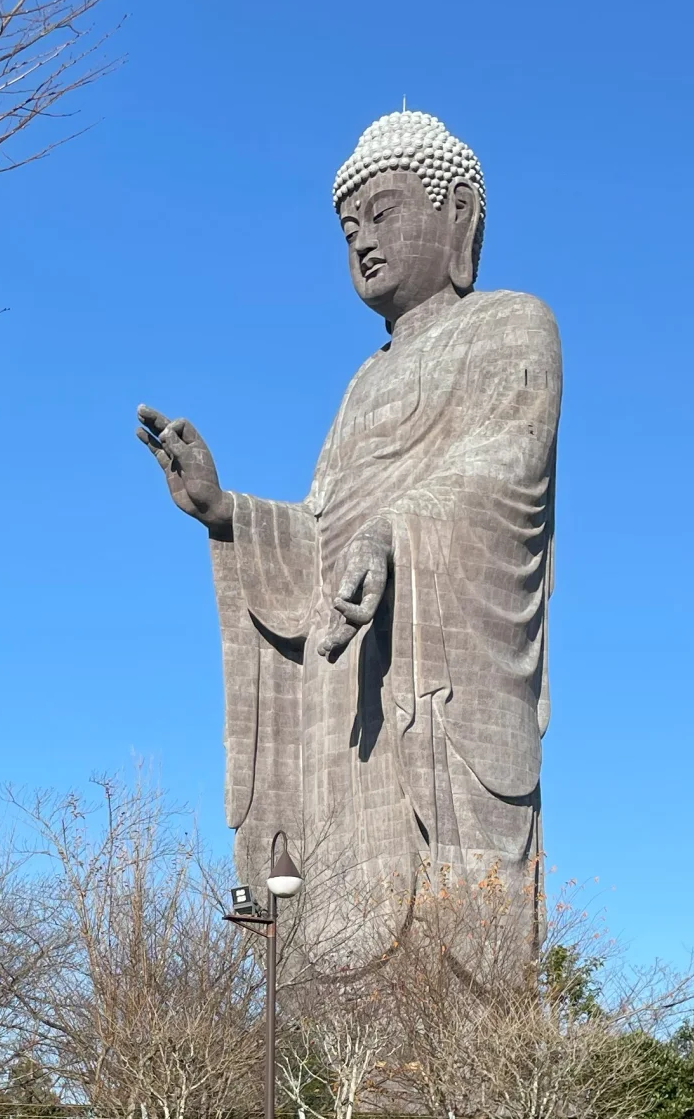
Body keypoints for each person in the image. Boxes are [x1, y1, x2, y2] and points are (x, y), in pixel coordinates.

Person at [139, 109, 560, 952]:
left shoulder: (514, 324)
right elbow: (323, 528)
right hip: (347, 695)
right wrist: (230, 513)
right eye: (347, 227)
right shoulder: (361, 385)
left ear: (459, 218)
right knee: (334, 946)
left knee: (448, 954)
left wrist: (393, 535)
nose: (362, 241)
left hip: (433, 676)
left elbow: (503, 467)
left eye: (385, 212)